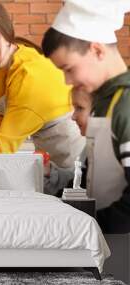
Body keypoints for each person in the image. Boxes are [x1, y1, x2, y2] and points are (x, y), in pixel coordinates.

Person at [42, 0, 130, 233]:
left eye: (69, 69)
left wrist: (84, 226)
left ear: (97, 50)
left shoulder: (125, 106)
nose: (67, 81)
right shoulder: (103, 103)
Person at [0, 0, 84, 169]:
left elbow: (1, 150)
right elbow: (4, 120)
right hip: (47, 152)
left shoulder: (29, 77)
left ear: (6, 34)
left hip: (73, 153)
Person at [44, 90, 92, 196]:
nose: (73, 116)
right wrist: (49, 173)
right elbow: (76, 182)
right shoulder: (92, 146)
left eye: (80, 108)